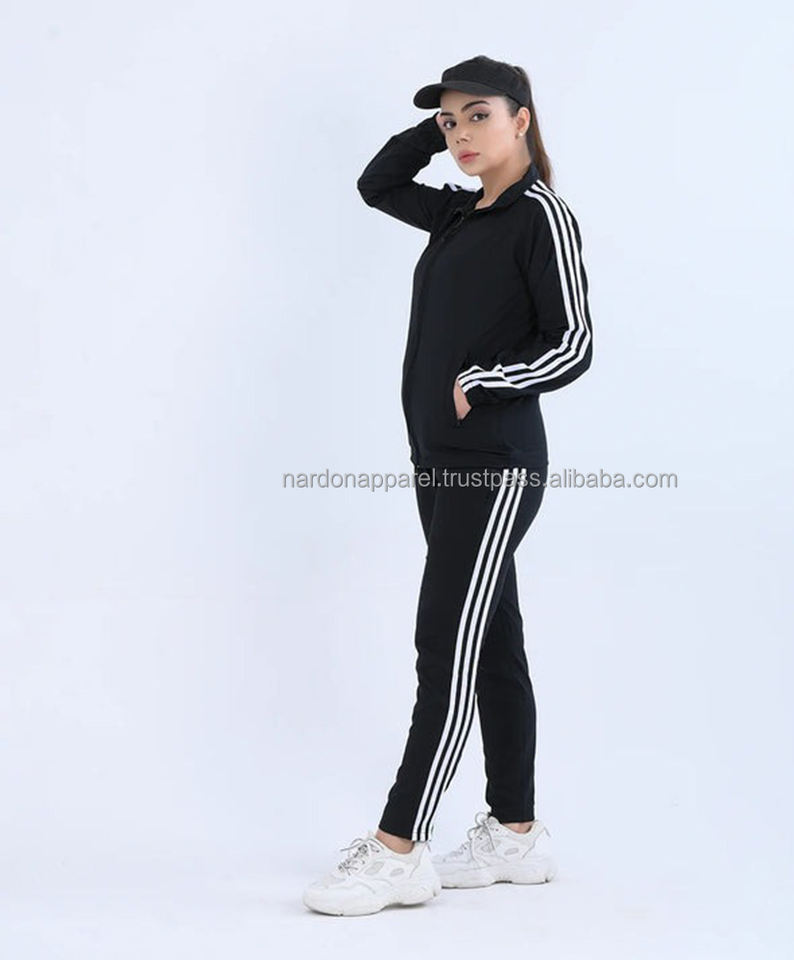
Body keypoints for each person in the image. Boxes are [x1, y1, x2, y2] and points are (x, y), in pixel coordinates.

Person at [303, 54, 593, 917]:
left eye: (478, 116)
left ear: (522, 120)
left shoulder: (540, 216)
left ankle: (400, 847)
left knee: (446, 644)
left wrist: (489, 381)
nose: (461, 134)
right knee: (489, 638)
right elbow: (376, 184)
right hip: (438, 461)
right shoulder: (460, 215)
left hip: (495, 463)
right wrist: (431, 133)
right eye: (449, 120)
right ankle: (515, 833)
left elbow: (573, 341)